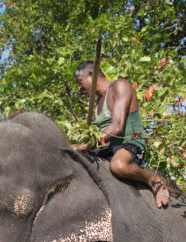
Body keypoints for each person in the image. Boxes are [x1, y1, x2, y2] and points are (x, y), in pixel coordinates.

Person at [72, 61, 170, 208]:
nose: (79, 88)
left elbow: (117, 127)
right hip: (106, 148)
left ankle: (151, 181)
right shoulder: (98, 103)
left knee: (118, 166)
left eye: (80, 82)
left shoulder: (120, 86)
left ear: (92, 76)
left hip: (128, 144)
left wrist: (87, 145)